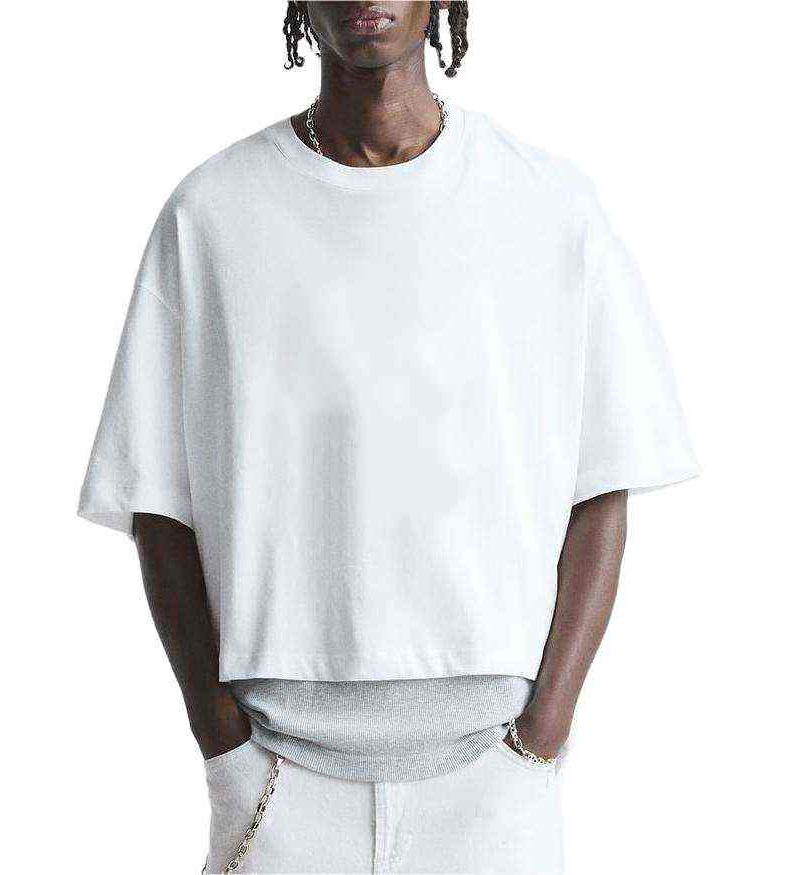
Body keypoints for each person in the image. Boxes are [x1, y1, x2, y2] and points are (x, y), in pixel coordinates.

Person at [78, 2, 699, 872]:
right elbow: (154, 493)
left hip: (490, 781)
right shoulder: (213, 211)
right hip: (276, 776)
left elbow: (603, 481)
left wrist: (542, 733)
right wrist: (220, 740)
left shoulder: (544, 203)